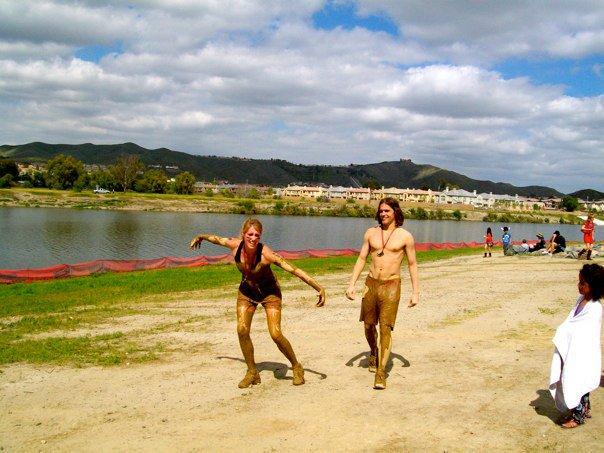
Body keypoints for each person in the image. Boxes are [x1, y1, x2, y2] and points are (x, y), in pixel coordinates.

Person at [189, 218, 326, 388]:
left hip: (270, 294)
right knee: (242, 329)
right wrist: (200, 236)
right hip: (247, 292)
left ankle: (297, 366)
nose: (253, 238)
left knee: (275, 334)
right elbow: (216, 239)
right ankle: (252, 371)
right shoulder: (234, 245)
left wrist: (318, 287)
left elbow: (294, 270)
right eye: (250, 234)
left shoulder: (266, 254)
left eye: (257, 235)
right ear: (243, 234)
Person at [345, 197, 419, 390]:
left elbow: (412, 264)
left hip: (392, 285)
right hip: (371, 283)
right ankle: (373, 351)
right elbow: (362, 258)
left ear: (395, 212)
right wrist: (352, 284)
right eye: (381, 211)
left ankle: (380, 372)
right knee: (368, 325)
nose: (383, 213)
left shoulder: (405, 236)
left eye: (387, 210)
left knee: (385, 328)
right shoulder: (371, 233)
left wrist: (415, 292)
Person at [549, 263, 603, 428]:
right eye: (579, 282)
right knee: (574, 379)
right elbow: (571, 322)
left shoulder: (595, 308)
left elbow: (585, 334)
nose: (578, 285)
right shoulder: (581, 300)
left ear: (593, 286)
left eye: (582, 283)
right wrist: (563, 333)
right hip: (572, 349)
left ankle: (578, 416)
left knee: (579, 380)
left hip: (582, 352)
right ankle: (582, 410)